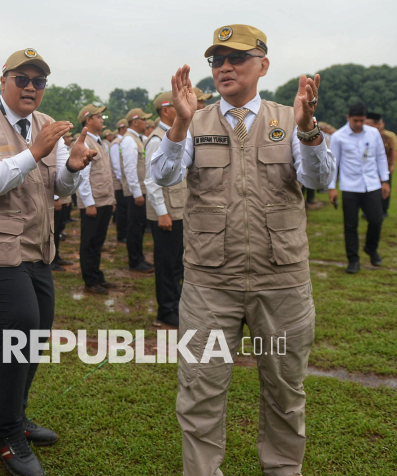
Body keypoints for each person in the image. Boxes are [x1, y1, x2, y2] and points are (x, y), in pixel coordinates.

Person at [152, 24, 336, 476]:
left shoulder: (291, 120)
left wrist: (309, 128)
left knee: (284, 390)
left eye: (236, 58)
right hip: (211, 284)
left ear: (263, 66)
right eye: (217, 60)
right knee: (200, 390)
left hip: (282, 282)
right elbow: (164, 175)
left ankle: (282, 470)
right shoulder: (195, 120)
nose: (224, 67)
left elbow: (319, 179)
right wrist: (179, 122)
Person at [0, 48, 95, 476]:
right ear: (4, 80)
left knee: (38, 330)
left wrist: (70, 167)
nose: (32, 87)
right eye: (23, 79)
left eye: (39, 81)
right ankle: (5, 434)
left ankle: (17, 414)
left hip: (32, 247)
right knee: (21, 326)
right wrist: (33, 152)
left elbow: (58, 188)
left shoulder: (46, 126)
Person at [328, 102, 389, 273]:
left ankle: (371, 248)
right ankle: (353, 260)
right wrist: (332, 188)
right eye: (356, 120)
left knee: (376, 220)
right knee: (350, 225)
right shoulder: (338, 137)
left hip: (372, 184)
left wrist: (385, 180)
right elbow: (334, 163)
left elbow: (381, 157)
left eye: (362, 120)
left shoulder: (373, 133)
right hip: (350, 186)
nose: (359, 124)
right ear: (348, 118)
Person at [144, 92, 186, 328]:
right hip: (167, 213)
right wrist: (161, 212)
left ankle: (175, 304)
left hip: (177, 209)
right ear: (165, 110)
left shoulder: (173, 135)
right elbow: (151, 180)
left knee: (176, 263)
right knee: (166, 264)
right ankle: (166, 310)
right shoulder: (157, 139)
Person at [76, 103, 118, 294]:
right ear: (88, 119)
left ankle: (97, 275)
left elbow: (105, 174)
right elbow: (83, 177)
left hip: (104, 200)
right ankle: (90, 280)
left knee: (98, 242)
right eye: (98, 116)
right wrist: (89, 203)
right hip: (93, 203)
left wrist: (112, 200)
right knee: (89, 242)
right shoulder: (84, 143)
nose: (102, 120)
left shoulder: (99, 142)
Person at [120, 108, 154, 272]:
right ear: (135, 121)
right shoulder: (129, 140)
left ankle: (139, 258)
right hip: (136, 193)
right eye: (143, 119)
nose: (146, 123)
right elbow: (130, 169)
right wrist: (137, 193)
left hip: (140, 190)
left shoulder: (137, 138)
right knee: (134, 227)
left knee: (139, 226)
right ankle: (135, 261)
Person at [366, 112, 396, 215]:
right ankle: (368, 210)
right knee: (370, 189)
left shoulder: (389, 136)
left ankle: (384, 210)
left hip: (385, 166)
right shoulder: (366, 135)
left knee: (385, 188)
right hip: (370, 166)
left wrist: (392, 165)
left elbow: (393, 151)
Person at [111, 120, 128, 242]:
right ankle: (121, 235)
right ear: (122, 128)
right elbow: (117, 167)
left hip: (124, 183)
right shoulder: (116, 144)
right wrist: (124, 182)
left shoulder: (123, 141)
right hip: (119, 184)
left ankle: (125, 233)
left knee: (126, 210)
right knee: (122, 211)